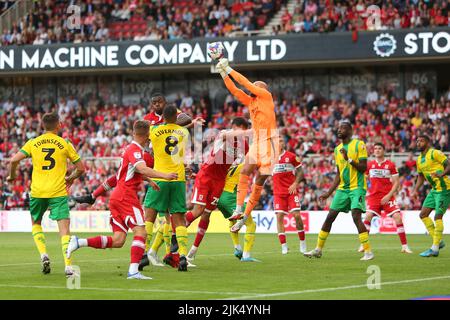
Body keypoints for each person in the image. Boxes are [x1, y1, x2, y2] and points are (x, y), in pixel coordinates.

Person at [66, 120, 177, 280]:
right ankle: (133, 271)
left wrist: (149, 180)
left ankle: (78, 242)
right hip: (126, 196)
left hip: (117, 196)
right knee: (141, 231)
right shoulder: (136, 150)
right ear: (148, 136)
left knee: (118, 240)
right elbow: (142, 168)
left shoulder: (129, 149)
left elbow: (126, 174)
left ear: (133, 133)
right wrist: (165, 175)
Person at [7, 112, 85, 276]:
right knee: (64, 230)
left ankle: (44, 254)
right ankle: (68, 266)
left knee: (36, 223)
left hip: (37, 192)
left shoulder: (33, 143)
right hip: (57, 192)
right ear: (59, 125)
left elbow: (13, 160)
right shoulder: (65, 143)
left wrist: (12, 176)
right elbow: (81, 168)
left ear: (43, 126)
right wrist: (70, 178)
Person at [215, 58, 279, 235]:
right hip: (258, 142)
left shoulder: (266, 96)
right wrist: (223, 73)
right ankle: (238, 209)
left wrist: (229, 69)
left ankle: (244, 218)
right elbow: (235, 90)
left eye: (257, 86)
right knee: (245, 172)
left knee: (259, 182)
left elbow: (245, 84)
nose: (253, 89)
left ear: (262, 89)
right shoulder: (252, 102)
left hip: (270, 143)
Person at [304, 120, 374, 261]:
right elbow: (338, 174)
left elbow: (363, 167)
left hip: (357, 188)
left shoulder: (359, 144)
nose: (339, 130)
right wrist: (328, 193)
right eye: (338, 128)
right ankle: (318, 249)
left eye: (343, 128)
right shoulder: (337, 149)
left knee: (356, 216)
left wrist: (348, 159)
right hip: (343, 189)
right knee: (330, 217)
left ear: (351, 131)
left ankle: (368, 252)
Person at [184, 117, 251, 262]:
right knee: (198, 210)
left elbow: (243, 164)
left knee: (206, 215)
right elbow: (227, 136)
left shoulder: (245, 146)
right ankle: (173, 235)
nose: (243, 133)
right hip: (206, 176)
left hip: (219, 182)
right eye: (242, 129)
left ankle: (192, 252)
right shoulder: (224, 134)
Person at [143, 105, 191, 271]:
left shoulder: (154, 130)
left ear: (162, 116)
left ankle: (143, 254)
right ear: (175, 117)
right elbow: (186, 120)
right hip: (178, 178)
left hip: (159, 177)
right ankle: (183, 255)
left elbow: (142, 128)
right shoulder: (184, 132)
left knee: (149, 216)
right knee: (178, 219)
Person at [362, 142, 412, 254]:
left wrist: (389, 195)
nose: (377, 150)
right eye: (375, 148)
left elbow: (396, 183)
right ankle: (363, 244)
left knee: (398, 217)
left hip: (388, 197)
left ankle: (404, 246)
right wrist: (363, 191)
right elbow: (364, 180)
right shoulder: (370, 165)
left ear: (384, 150)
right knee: (368, 216)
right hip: (374, 197)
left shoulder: (390, 165)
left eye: (379, 148)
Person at [412, 135, 450, 257]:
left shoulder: (435, 153)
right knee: (423, 214)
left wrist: (442, 174)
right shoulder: (419, 160)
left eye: (421, 140)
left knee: (438, 217)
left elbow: (448, 164)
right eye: (417, 141)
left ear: (427, 143)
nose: (418, 142)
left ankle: (434, 248)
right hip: (434, 190)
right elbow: (421, 177)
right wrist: (415, 190)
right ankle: (438, 241)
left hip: (444, 189)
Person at [273, 136, 307, 254]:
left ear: (284, 144)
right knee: (279, 218)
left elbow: (301, 171)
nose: (279, 142)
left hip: (291, 192)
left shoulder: (291, 156)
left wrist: (295, 183)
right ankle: (284, 246)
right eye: (277, 141)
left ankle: (302, 243)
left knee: (297, 216)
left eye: (281, 141)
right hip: (278, 193)